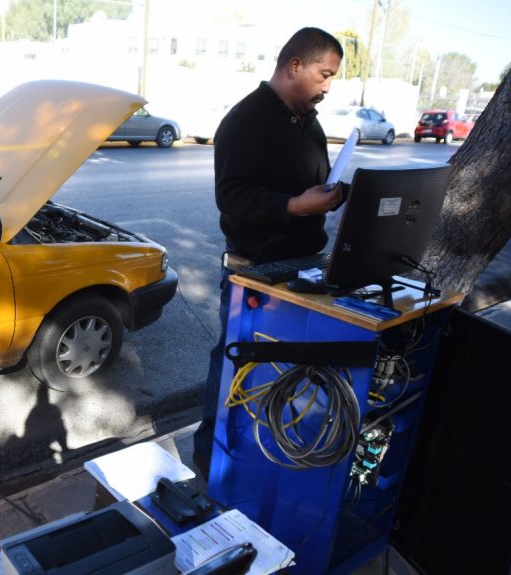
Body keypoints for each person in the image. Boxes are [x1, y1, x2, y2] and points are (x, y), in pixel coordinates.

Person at [192, 27, 346, 478]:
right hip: (257, 270)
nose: (327, 87)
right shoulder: (247, 119)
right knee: (235, 365)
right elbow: (233, 196)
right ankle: (210, 458)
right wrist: (296, 206)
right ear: (294, 66)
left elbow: (307, 177)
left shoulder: (308, 122)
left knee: (284, 370)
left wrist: (334, 194)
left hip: (305, 266)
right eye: (323, 74)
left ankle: (267, 448)